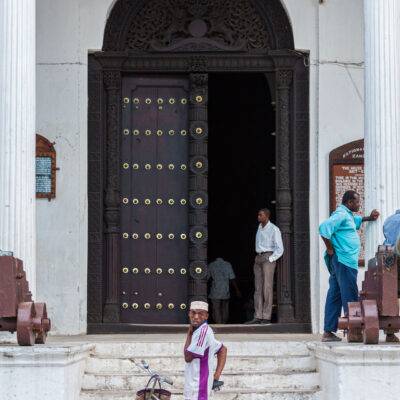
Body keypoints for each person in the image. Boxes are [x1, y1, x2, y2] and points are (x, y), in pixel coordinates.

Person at [319, 190, 379, 342]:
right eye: (357, 202)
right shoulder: (341, 214)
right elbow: (324, 228)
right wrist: (330, 249)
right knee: (350, 295)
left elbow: (356, 220)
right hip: (344, 261)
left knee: (335, 295)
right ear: (349, 203)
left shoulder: (348, 215)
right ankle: (354, 332)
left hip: (341, 262)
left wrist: (369, 218)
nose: (359, 204)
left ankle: (328, 332)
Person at [246, 208, 284, 324]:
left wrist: (271, 258)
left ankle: (266, 317)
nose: (258, 216)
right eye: (258, 214)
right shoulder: (259, 227)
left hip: (268, 257)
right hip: (258, 257)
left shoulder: (274, 229)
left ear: (267, 216)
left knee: (267, 288)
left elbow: (280, 248)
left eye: (260, 215)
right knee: (258, 288)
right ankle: (258, 316)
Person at [183, 301, 227, 400]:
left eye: (200, 314)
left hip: (199, 385)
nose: (196, 317)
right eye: (193, 313)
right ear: (189, 314)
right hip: (194, 384)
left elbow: (188, 357)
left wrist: (189, 333)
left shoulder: (203, 332)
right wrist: (216, 376)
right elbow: (222, 349)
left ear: (206, 316)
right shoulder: (204, 330)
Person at [208, 257, 241, 324]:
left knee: (216, 309)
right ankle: (223, 324)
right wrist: (237, 290)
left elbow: (206, 278)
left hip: (215, 291)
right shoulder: (227, 264)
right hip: (225, 290)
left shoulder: (211, 265)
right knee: (225, 309)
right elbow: (232, 278)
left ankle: (219, 324)